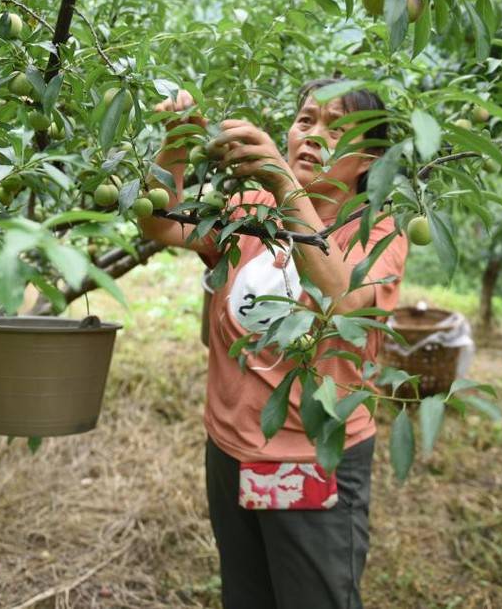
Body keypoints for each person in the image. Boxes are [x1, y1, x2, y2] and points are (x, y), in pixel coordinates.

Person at [138, 79, 409, 609]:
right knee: (247, 595)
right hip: (230, 447)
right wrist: (174, 143)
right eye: (306, 120)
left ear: (367, 160)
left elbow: (349, 301)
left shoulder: (378, 230)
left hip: (311, 458)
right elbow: (158, 224)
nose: (314, 135)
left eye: (337, 128)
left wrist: (286, 185)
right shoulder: (249, 205)